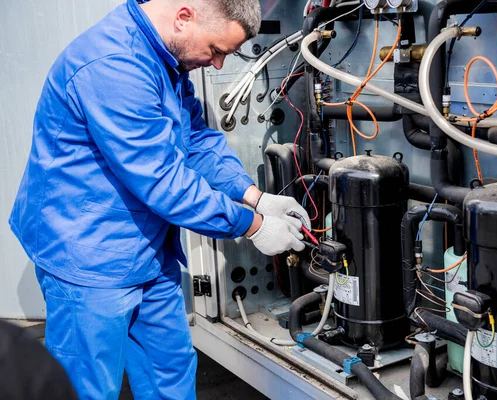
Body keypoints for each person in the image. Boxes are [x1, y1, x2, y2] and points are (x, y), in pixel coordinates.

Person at [9, 0, 309, 398]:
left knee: (169, 368)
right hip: (88, 255)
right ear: (184, 17)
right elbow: (164, 183)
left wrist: (255, 197)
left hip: (147, 250)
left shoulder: (167, 59)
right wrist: (253, 227)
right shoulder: (113, 65)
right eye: (216, 50)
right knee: (87, 385)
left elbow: (197, 141)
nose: (218, 65)